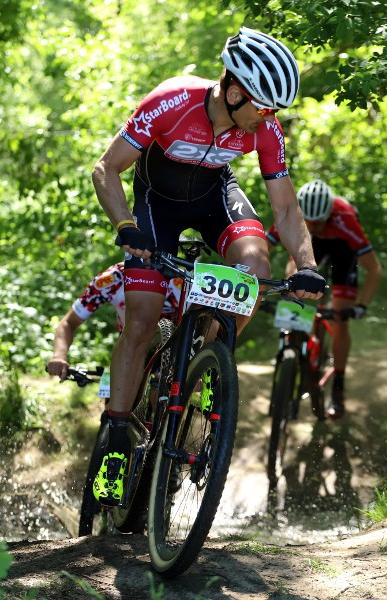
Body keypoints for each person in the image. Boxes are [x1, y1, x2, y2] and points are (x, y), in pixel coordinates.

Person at [89, 27, 326, 506]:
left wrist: (306, 264)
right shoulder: (173, 101)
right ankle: (115, 442)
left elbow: (285, 209)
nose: (269, 119)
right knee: (141, 320)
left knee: (254, 266)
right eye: (264, 107)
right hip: (155, 205)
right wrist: (126, 226)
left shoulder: (264, 130)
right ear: (234, 92)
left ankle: (210, 358)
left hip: (215, 196)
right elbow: (105, 168)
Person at [267, 179, 383, 420]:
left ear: (329, 215)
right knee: (294, 279)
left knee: (340, 318)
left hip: (342, 249)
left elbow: (374, 268)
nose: (314, 226)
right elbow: (261, 247)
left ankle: (338, 385)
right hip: (311, 245)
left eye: (318, 222)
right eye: (308, 221)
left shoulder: (345, 218)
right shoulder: (293, 212)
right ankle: (294, 340)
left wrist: (361, 306)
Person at [46, 262, 183, 381]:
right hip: (130, 343)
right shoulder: (113, 279)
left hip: (171, 346)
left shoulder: (178, 281)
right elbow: (68, 323)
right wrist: (59, 356)